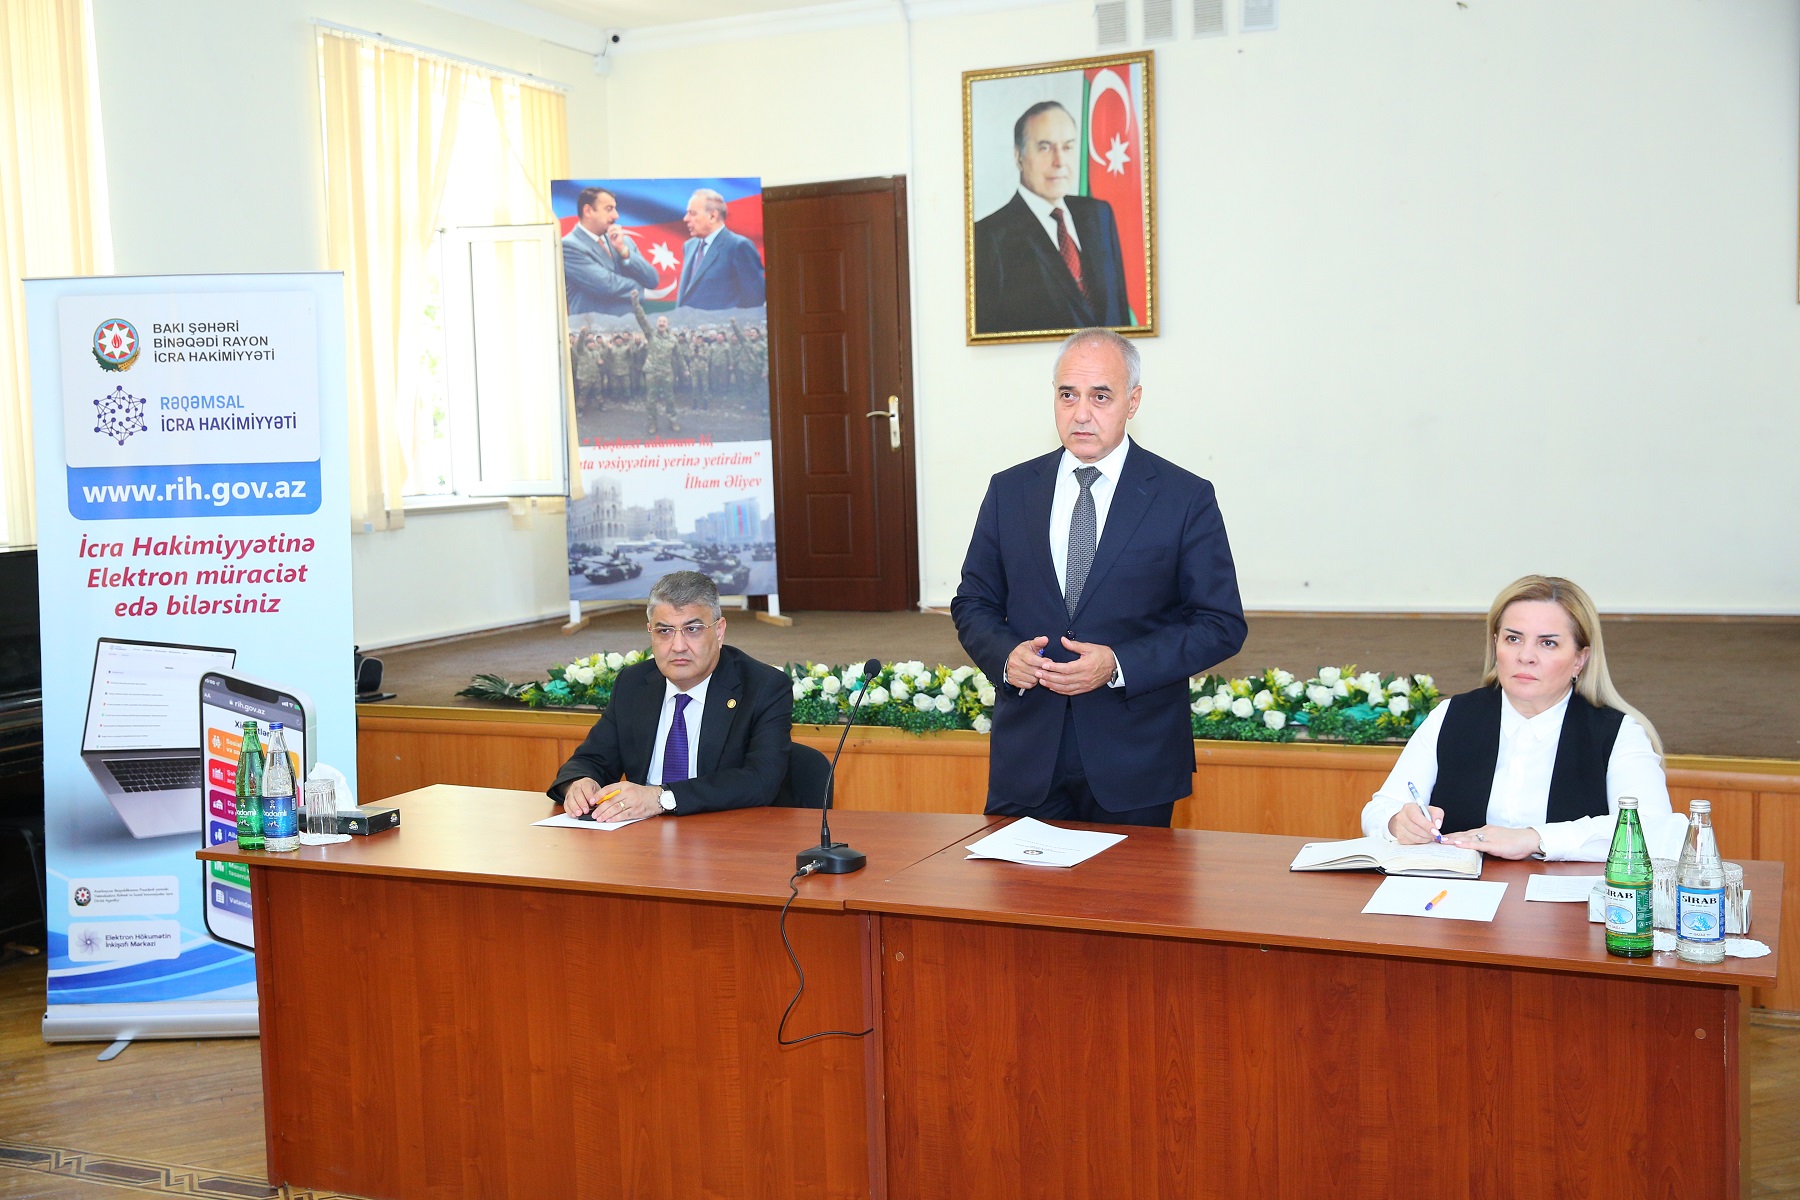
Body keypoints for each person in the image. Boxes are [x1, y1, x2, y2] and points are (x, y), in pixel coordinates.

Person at [951, 328, 1246, 826]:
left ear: (1133, 401)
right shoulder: (1010, 490)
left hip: (1134, 760)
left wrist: (1117, 665)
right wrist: (1005, 656)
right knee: (1012, 881)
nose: (1081, 413)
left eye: (1100, 396)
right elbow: (973, 602)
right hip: (1027, 757)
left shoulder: (1183, 497)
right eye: (1068, 395)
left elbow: (1220, 624)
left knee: (1129, 883)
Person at [1361, 575, 1679, 861]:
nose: (1525, 656)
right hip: (1458, 898)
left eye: (1548, 643)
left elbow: (1655, 831)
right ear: (1496, 643)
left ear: (1579, 659)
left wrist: (1534, 838)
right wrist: (1397, 823)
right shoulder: (1452, 716)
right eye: (1513, 639)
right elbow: (1379, 810)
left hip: (1569, 903)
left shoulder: (1618, 733)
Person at [548, 571, 792, 819]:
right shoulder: (633, 683)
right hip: (640, 833)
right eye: (664, 631)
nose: (678, 646)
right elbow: (591, 759)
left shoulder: (762, 687)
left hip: (723, 829)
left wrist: (661, 798)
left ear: (719, 631)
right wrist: (580, 782)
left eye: (692, 629)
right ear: (650, 631)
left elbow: (761, 780)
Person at [973, 101, 1132, 336]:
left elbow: (1120, 316)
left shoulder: (1099, 215)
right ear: (1018, 156)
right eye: (1045, 148)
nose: (1059, 161)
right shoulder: (987, 237)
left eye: (1067, 147)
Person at [562, 186, 659, 316]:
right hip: (594, 326)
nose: (616, 215)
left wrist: (624, 251)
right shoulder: (569, 246)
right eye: (609, 209)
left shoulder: (623, 241)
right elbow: (607, 285)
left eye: (615, 209)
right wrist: (640, 287)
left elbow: (652, 280)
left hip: (631, 325)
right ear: (588, 211)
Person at [676, 188, 766, 310]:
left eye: (693, 213)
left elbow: (754, 300)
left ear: (713, 216)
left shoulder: (739, 246)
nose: (686, 219)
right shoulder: (689, 246)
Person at [630, 293, 679, 435]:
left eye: (664, 321)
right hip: (652, 372)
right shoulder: (650, 334)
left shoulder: (673, 340)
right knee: (651, 399)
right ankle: (652, 423)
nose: (662, 323)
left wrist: (685, 370)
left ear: (667, 324)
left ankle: (673, 420)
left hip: (666, 372)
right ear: (657, 324)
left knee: (670, 398)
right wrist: (635, 302)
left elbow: (679, 356)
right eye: (660, 321)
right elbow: (641, 319)